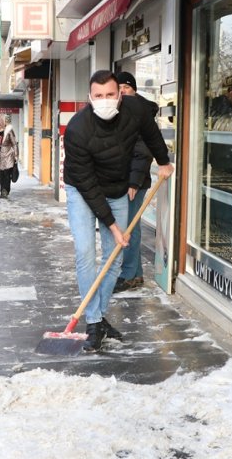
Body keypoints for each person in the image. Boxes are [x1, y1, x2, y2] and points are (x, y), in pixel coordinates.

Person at [63, 70, 174, 351]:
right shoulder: (77, 129)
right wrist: (113, 226)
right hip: (83, 190)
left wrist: (163, 161)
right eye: (98, 96)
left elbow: (151, 134)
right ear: (89, 98)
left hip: (117, 188)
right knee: (86, 252)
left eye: (110, 95)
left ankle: (97, 318)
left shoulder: (135, 110)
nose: (105, 100)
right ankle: (93, 319)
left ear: (120, 95)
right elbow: (89, 187)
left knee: (114, 256)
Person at [113, 72, 157, 293]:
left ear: (134, 89)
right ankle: (135, 274)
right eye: (118, 88)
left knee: (129, 227)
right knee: (128, 226)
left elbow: (143, 150)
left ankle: (129, 275)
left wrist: (134, 182)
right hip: (123, 178)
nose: (122, 92)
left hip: (134, 181)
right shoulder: (121, 111)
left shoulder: (140, 114)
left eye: (126, 87)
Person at [205, 74, 232, 242]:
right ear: (229, 92)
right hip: (224, 172)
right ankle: (221, 249)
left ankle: (220, 247)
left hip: (228, 173)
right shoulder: (221, 110)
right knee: (223, 219)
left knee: (222, 217)